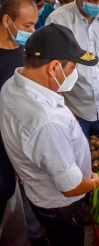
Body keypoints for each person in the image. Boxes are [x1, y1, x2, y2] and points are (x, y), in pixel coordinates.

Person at [0, 23, 99, 246]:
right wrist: (95, 182)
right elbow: (71, 187)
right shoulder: (45, 121)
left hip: (38, 193)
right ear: (54, 67)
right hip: (62, 208)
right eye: (73, 68)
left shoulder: (11, 86)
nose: (73, 73)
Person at [0, 1, 48, 245]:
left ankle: (35, 235)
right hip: (5, 154)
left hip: (25, 148)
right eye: (27, 25)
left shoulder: (25, 51)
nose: (32, 31)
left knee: (17, 220)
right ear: (7, 21)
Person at [45, 0, 99, 138]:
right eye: (91, 0)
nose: (96, 4)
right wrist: (64, 107)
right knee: (78, 153)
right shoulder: (58, 20)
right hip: (74, 107)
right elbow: (51, 68)